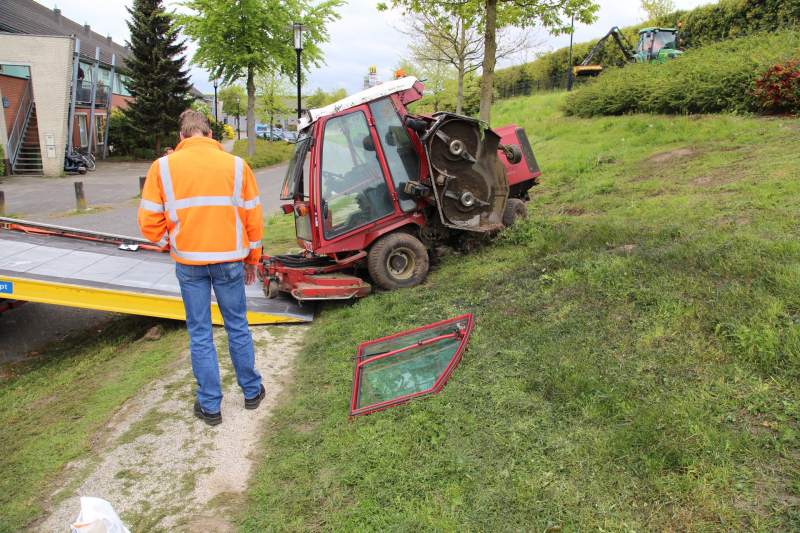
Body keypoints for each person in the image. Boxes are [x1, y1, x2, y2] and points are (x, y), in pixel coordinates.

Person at [138, 110, 265, 426]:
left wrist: (172, 243)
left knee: (200, 332)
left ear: (181, 137)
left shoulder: (162, 168)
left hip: (189, 263)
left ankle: (210, 407)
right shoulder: (237, 166)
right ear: (210, 135)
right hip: (230, 261)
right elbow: (253, 218)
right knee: (236, 324)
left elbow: (149, 222)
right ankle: (251, 392)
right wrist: (252, 260)